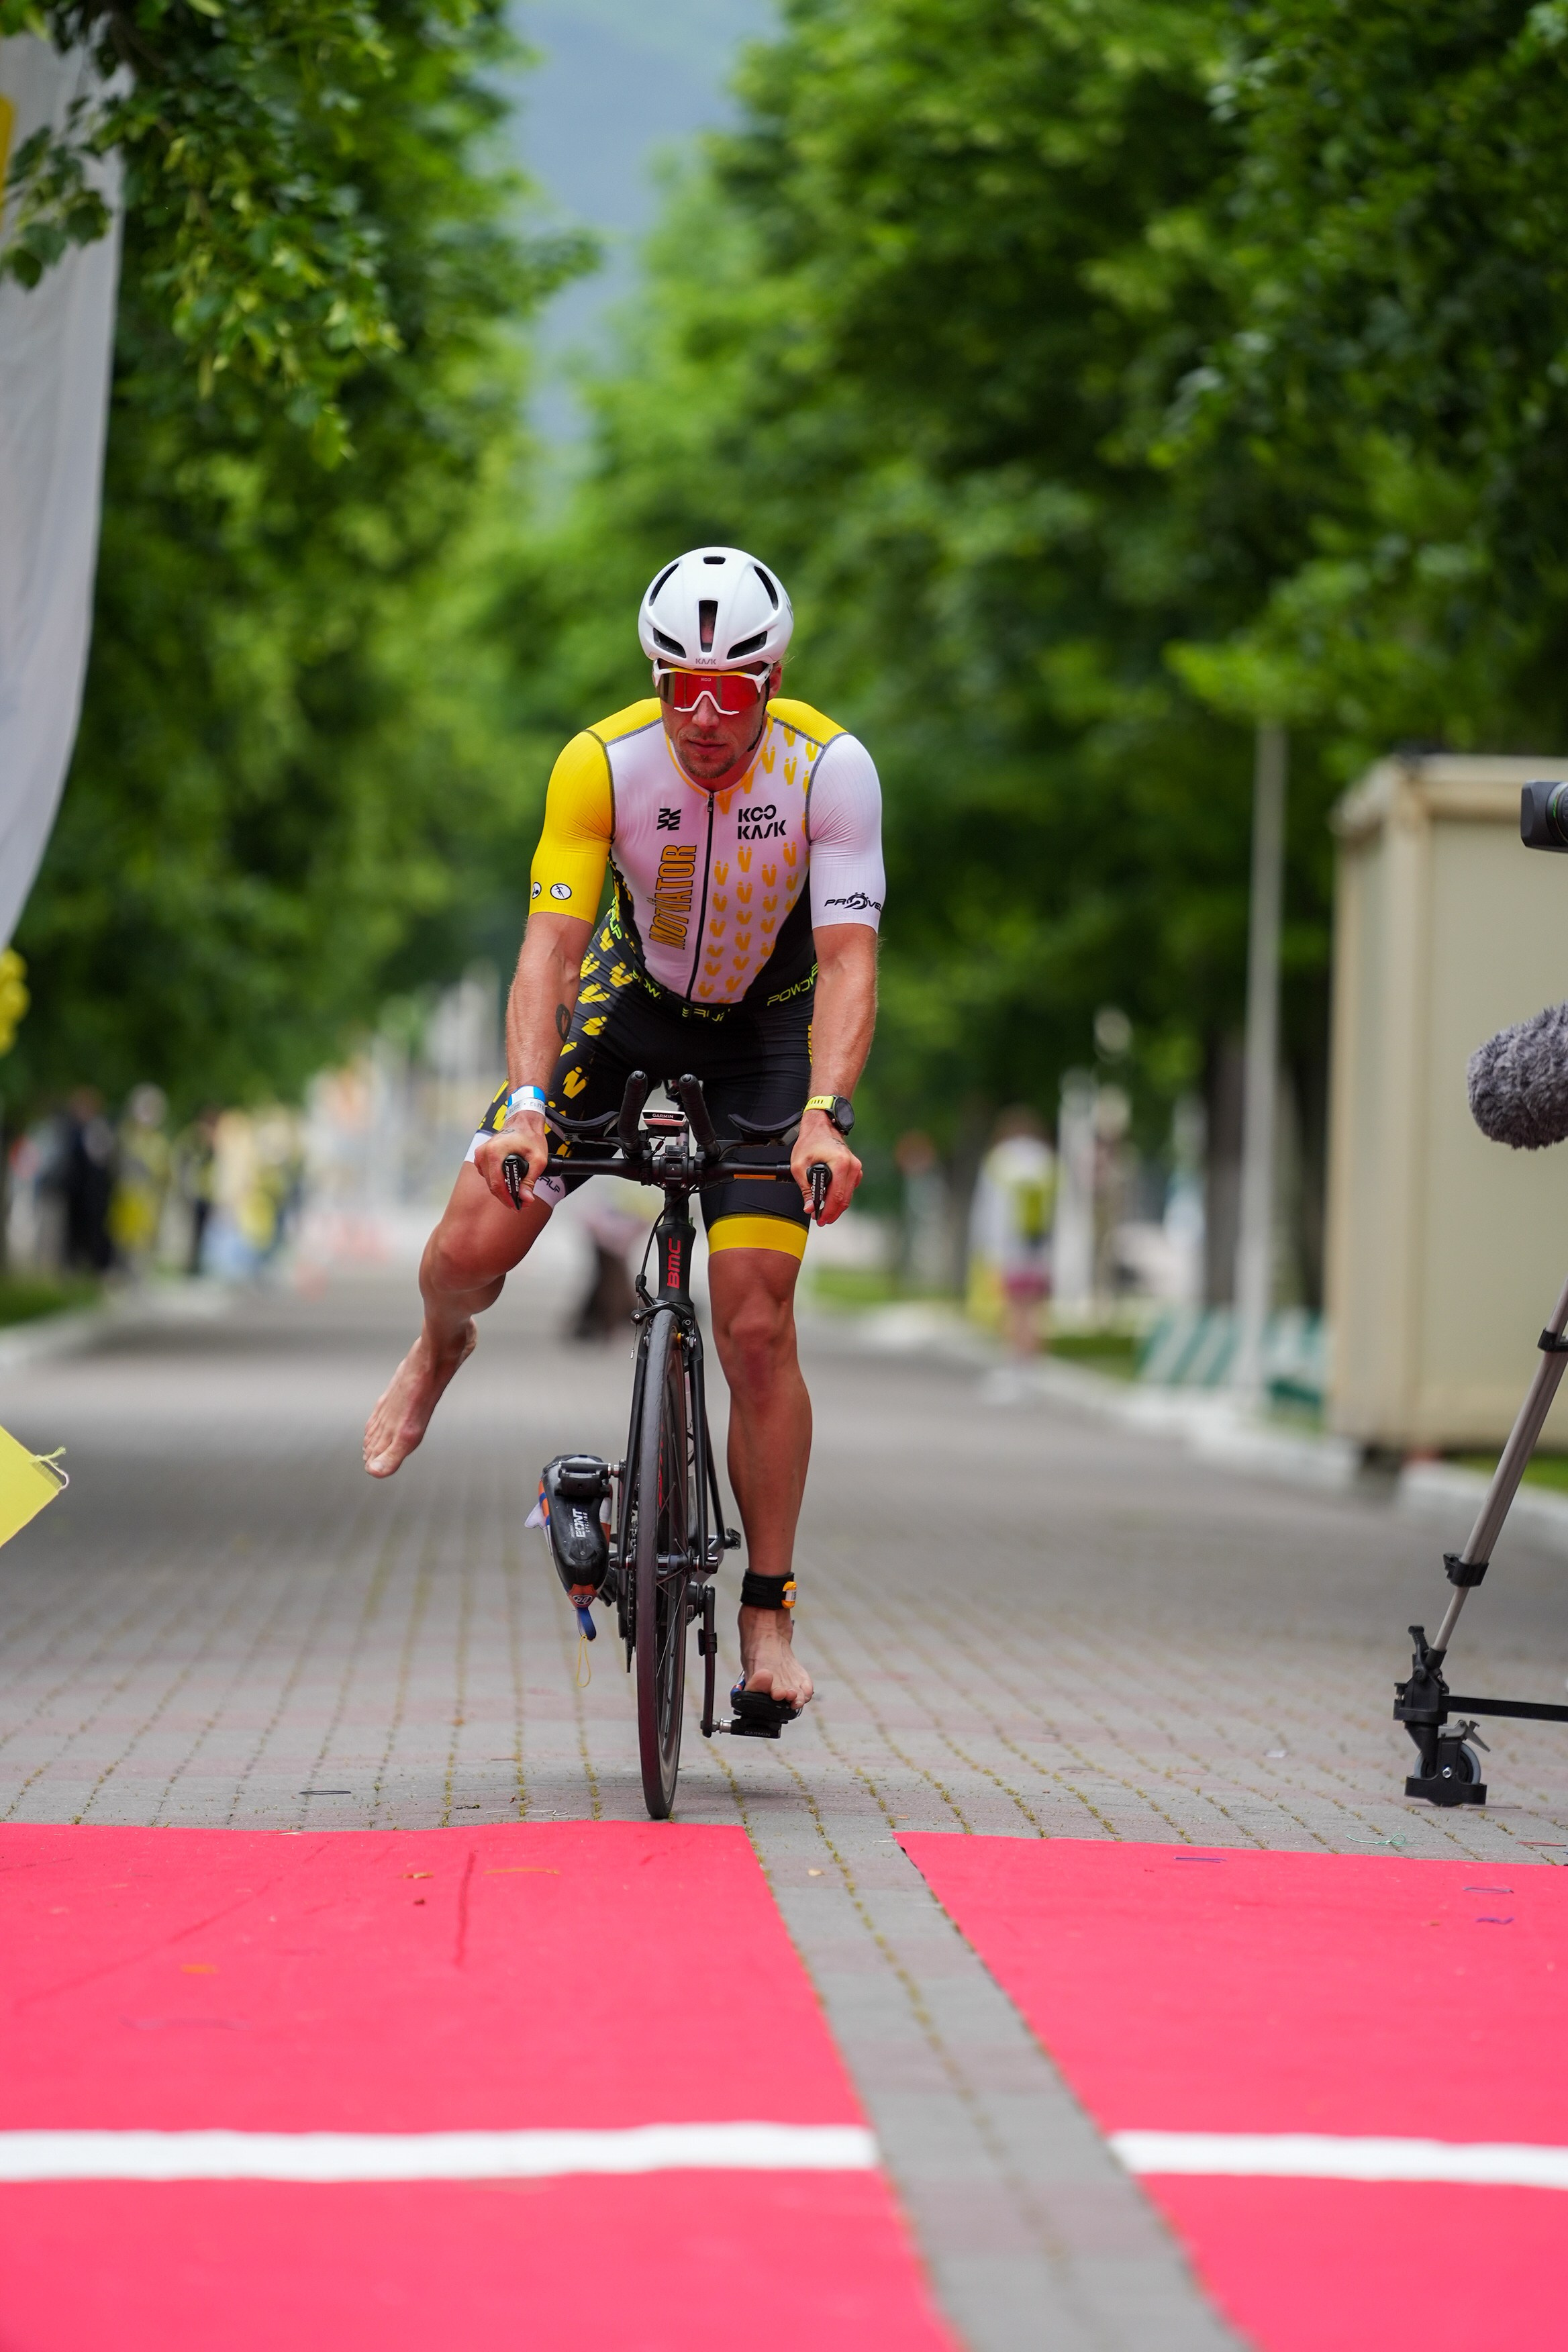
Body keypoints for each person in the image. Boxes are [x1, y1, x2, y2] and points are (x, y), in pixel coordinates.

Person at [364, 548, 884, 1712]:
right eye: (678, 686)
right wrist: (529, 1106)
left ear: (773, 679)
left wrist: (824, 1118)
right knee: (468, 1248)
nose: (703, 718)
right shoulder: (601, 764)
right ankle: (443, 1344)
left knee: (756, 1321)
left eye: (732, 691)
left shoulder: (830, 771)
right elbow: (550, 947)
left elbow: (851, 962)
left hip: (769, 1030)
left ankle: (769, 1616)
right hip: (631, 1002)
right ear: (652, 677)